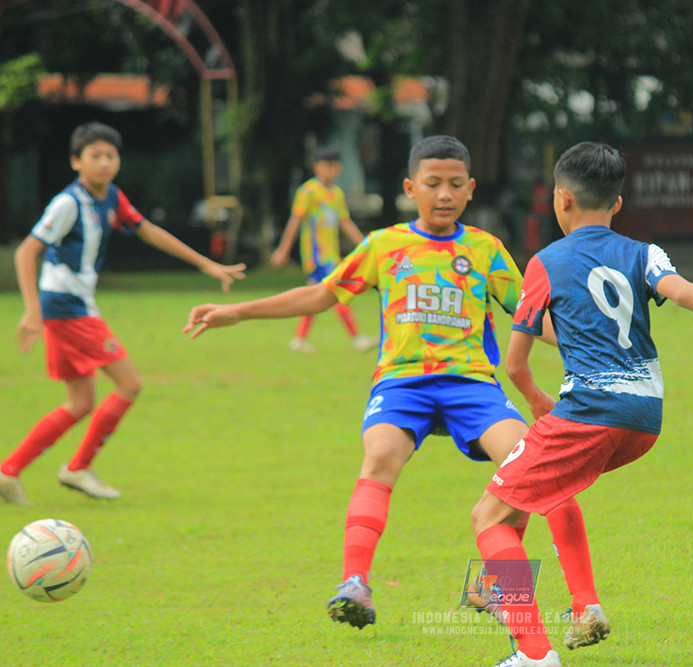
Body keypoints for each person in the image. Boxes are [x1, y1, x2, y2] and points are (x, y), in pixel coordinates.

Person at [183, 135, 588, 633]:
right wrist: (238, 312)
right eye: (432, 183)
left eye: (455, 184)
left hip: (471, 384)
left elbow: (529, 316)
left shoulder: (485, 250)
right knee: (379, 457)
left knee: (525, 463)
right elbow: (321, 295)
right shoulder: (383, 245)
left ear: (470, 188)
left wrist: (589, 344)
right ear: (410, 188)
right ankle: (355, 582)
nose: (444, 194)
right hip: (402, 385)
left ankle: (494, 586)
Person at [467, 142, 693, 667]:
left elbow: (516, 363)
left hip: (589, 412)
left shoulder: (544, 263)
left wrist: (538, 400)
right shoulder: (643, 252)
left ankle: (534, 653)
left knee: (488, 515)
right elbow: (685, 292)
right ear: (617, 203)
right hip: (644, 419)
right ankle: (582, 607)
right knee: (539, 494)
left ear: (561, 199)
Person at [0, 121, 246, 506]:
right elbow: (26, 251)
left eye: (110, 156)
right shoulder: (69, 203)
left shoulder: (112, 196)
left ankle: (8, 472)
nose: (104, 163)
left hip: (72, 306)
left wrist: (205, 264)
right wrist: (32, 310)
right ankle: (79, 468)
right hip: (66, 307)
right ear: (76, 161)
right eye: (94, 156)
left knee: (80, 402)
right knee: (129, 384)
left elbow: (147, 231)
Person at [270, 146, 376, 353]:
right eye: (325, 165)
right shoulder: (308, 191)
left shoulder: (336, 193)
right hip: (317, 255)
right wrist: (283, 250)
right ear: (317, 167)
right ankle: (357, 338)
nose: (329, 170)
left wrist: (367, 246)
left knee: (314, 296)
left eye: (333, 166)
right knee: (337, 292)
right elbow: (296, 220)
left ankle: (299, 339)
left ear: (339, 168)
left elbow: (345, 222)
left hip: (331, 254)